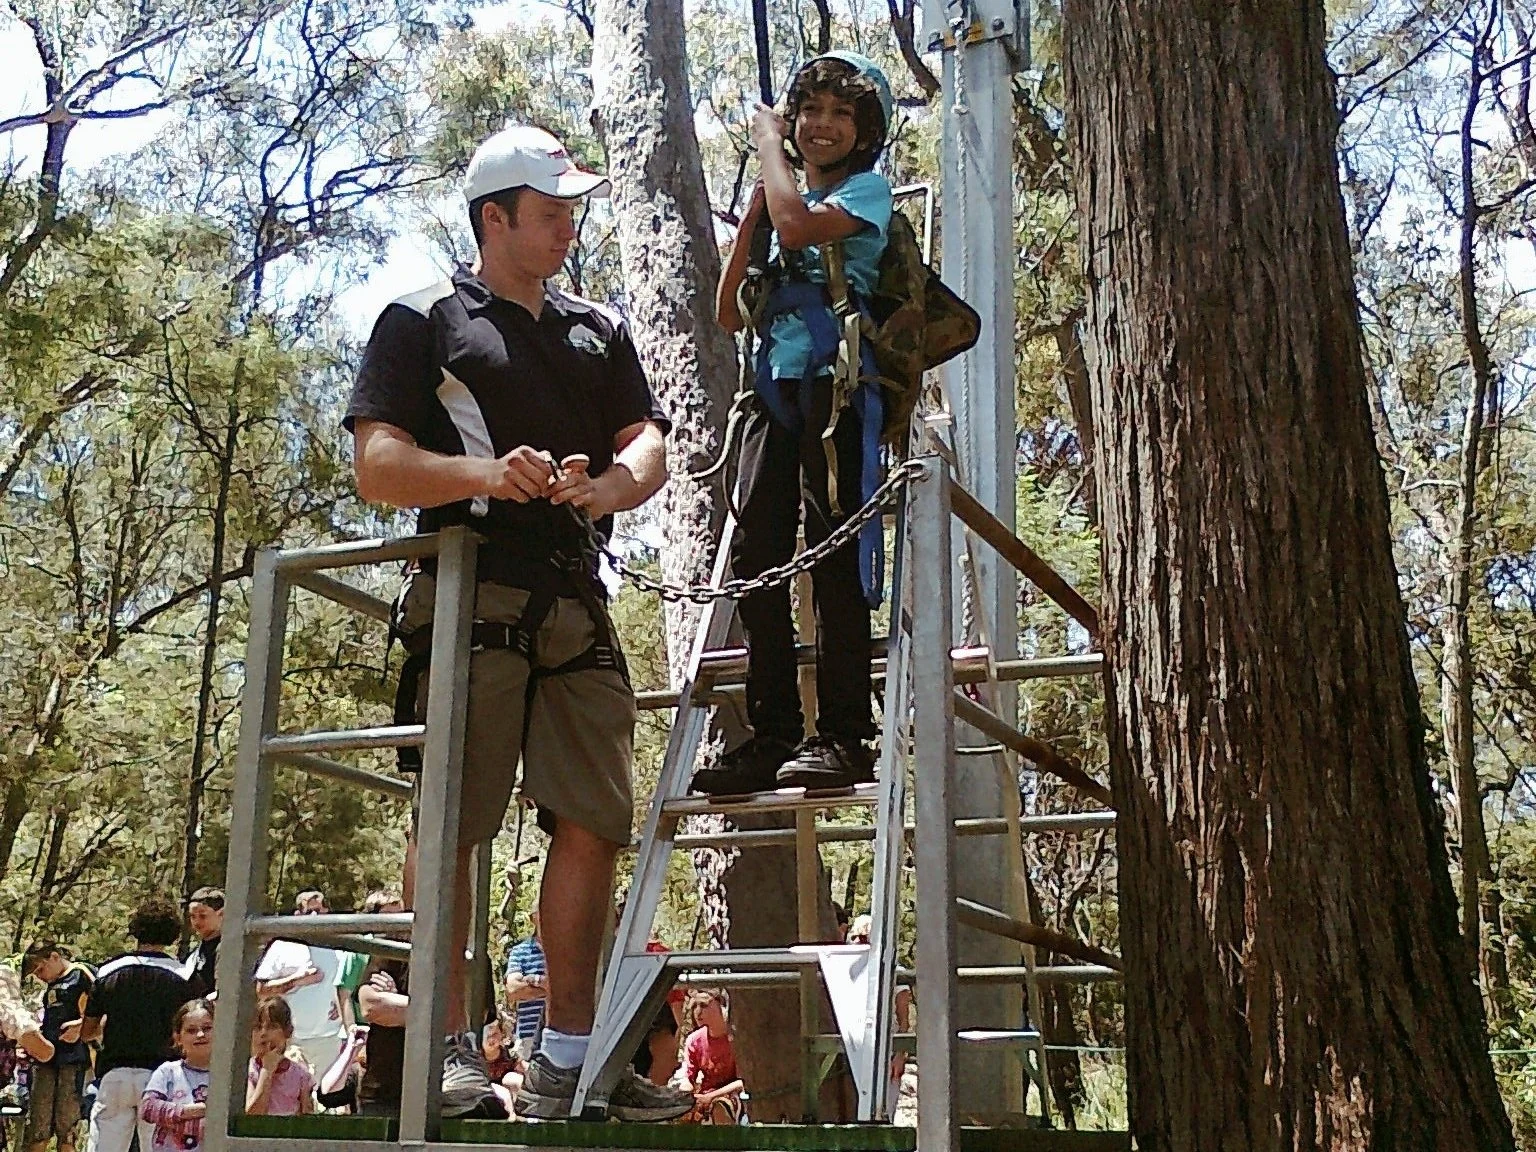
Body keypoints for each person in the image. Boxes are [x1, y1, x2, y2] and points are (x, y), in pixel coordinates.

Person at [345, 121, 688, 1123]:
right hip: (469, 589)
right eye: (550, 210)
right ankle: (447, 1051)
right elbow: (377, 465)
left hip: (578, 598)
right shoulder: (423, 319)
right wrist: (491, 475)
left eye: (574, 207)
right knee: (451, 817)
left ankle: (574, 1062)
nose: (569, 225)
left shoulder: (597, 328)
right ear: (494, 218)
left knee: (594, 820)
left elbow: (647, 442)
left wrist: (611, 489)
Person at [697, 51, 897, 796]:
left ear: (864, 130)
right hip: (773, 395)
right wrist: (755, 203)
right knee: (757, 558)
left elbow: (797, 221)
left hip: (835, 391)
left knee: (834, 556)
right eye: (809, 111)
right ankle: (772, 726)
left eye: (840, 114)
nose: (821, 125)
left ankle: (845, 731)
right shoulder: (779, 200)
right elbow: (727, 311)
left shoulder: (866, 194)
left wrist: (768, 151)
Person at [78, 898, 192, 1152]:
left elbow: (87, 1031)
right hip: (164, 1076)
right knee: (158, 1144)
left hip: (115, 1073)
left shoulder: (108, 972)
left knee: (105, 1145)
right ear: (172, 934)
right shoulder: (183, 977)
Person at [252, 891, 344, 1074]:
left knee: (326, 1098)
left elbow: (346, 987)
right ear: (297, 915)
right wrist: (296, 980)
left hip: (328, 1039)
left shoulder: (339, 946)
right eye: (308, 912)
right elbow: (261, 990)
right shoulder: (282, 946)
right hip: (289, 1039)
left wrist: (339, 1007)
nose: (314, 917)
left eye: (318, 910)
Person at [22, 941, 92, 1152]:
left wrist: (81, 1026)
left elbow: (104, 1008)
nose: (40, 976)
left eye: (41, 969)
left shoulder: (81, 974)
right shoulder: (50, 987)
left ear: (54, 957)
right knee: (38, 1121)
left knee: (67, 1122)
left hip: (74, 1060)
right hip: (47, 1059)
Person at [139, 1000, 213, 1152]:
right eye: (191, 1031)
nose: (200, 1035)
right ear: (178, 1038)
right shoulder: (168, 1072)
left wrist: (175, 1121)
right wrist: (197, 1110)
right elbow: (148, 1108)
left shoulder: (229, 1076)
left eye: (207, 1028)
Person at [334, 891, 403, 1028]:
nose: (396, 921)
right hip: (362, 1026)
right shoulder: (360, 948)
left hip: (389, 1022)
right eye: (389, 915)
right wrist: (352, 1029)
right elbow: (344, 994)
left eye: (400, 915)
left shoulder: (402, 948)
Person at [679, 990, 744, 1125]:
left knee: (719, 1107)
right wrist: (684, 1096)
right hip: (704, 1093)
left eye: (703, 1006)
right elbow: (688, 1078)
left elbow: (743, 1081)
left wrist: (711, 1096)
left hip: (733, 1094)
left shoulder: (737, 1038)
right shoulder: (694, 1039)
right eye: (694, 1006)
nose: (697, 1012)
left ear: (720, 1005)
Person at [245, 997, 315, 1116]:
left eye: (272, 1027)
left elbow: (307, 1118)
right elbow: (253, 1114)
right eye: (257, 1027)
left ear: (288, 1031)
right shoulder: (248, 1069)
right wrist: (266, 1071)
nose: (263, 1033)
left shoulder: (300, 1075)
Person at [502, 911, 546, 1061]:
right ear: (534, 918)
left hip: (559, 1035)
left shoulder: (567, 951)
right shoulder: (520, 951)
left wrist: (532, 980)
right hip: (528, 1037)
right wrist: (546, 984)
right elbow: (513, 989)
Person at [181, 888, 223, 1001]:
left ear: (221, 914)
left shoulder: (226, 949)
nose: (196, 922)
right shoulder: (195, 953)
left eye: (203, 916)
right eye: (192, 916)